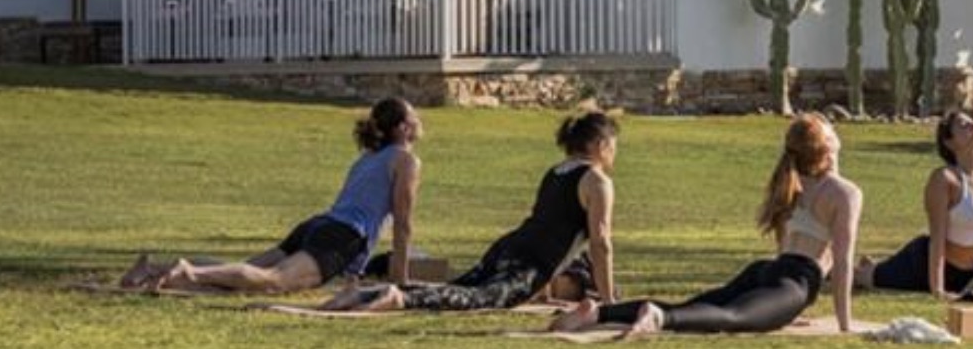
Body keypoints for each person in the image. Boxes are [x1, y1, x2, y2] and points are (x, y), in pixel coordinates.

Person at [554, 112, 861, 335]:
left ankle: (598, 313)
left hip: (766, 270)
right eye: (831, 130)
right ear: (827, 147)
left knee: (691, 307)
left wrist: (780, 306)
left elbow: (791, 239)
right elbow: (843, 262)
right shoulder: (845, 193)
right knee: (732, 318)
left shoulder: (793, 180)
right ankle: (659, 319)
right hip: (796, 282)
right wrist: (845, 325)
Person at [323, 110, 617, 313]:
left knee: (458, 287)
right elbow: (600, 242)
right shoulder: (597, 181)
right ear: (602, 145)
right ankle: (396, 296)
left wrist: (545, 292)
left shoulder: (557, 171)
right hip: (528, 263)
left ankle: (363, 293)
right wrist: (608, 301)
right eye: (613, 144)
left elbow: (550, 226)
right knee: (479, 299)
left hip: (509, 246)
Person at [137, 98, 422, 294]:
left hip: (318, 225)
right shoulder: (406, 161)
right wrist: (399, 282)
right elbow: (402, 223)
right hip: (341, 234)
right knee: (273, 281)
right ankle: (189, 271)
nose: (420, 121)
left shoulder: (368, 158)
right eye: (414, 117)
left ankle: (153, 270)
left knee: (247, 272)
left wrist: (353, 271)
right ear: (403, 128)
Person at [856, 109, 973, 298]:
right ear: (949, 142)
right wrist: (937, 289)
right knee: (864, 278)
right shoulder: (945, 179)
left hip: (964, 275)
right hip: (920, 266)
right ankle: (839, 266)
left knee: (874, 271)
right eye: (963, 125)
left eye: (972, 121)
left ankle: (871, 265)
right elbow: (937, 238)